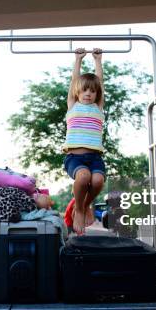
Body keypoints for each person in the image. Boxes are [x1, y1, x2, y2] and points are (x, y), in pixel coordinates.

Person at [63, 48, 106, 235]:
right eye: (84, 90)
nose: (88, 93)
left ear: (97, 95)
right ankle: (79, 209)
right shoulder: (73, 105)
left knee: (97, 181)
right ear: (77, 92)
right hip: (74, 157)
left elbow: (100, 83)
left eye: (92, 91)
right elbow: (74, 81)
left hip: (95, 157)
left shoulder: (98, 108)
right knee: (83, 177)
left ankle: (85, 205)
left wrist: (98, 60)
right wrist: (78, 60)